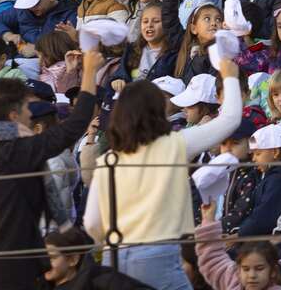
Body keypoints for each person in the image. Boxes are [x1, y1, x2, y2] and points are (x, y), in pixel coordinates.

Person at [0, 49, 102, 287]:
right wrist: (90, 72)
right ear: (14, 114)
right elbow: (75, 125)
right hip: (10, 276)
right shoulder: (18, 152)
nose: (31, 114)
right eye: (28, 107)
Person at [83, 56, 242, 289]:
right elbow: (230, 119)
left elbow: (92, 223)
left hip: (113, 258)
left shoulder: (109, 160)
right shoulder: (176, 144)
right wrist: (229, 77)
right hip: (157, 256)